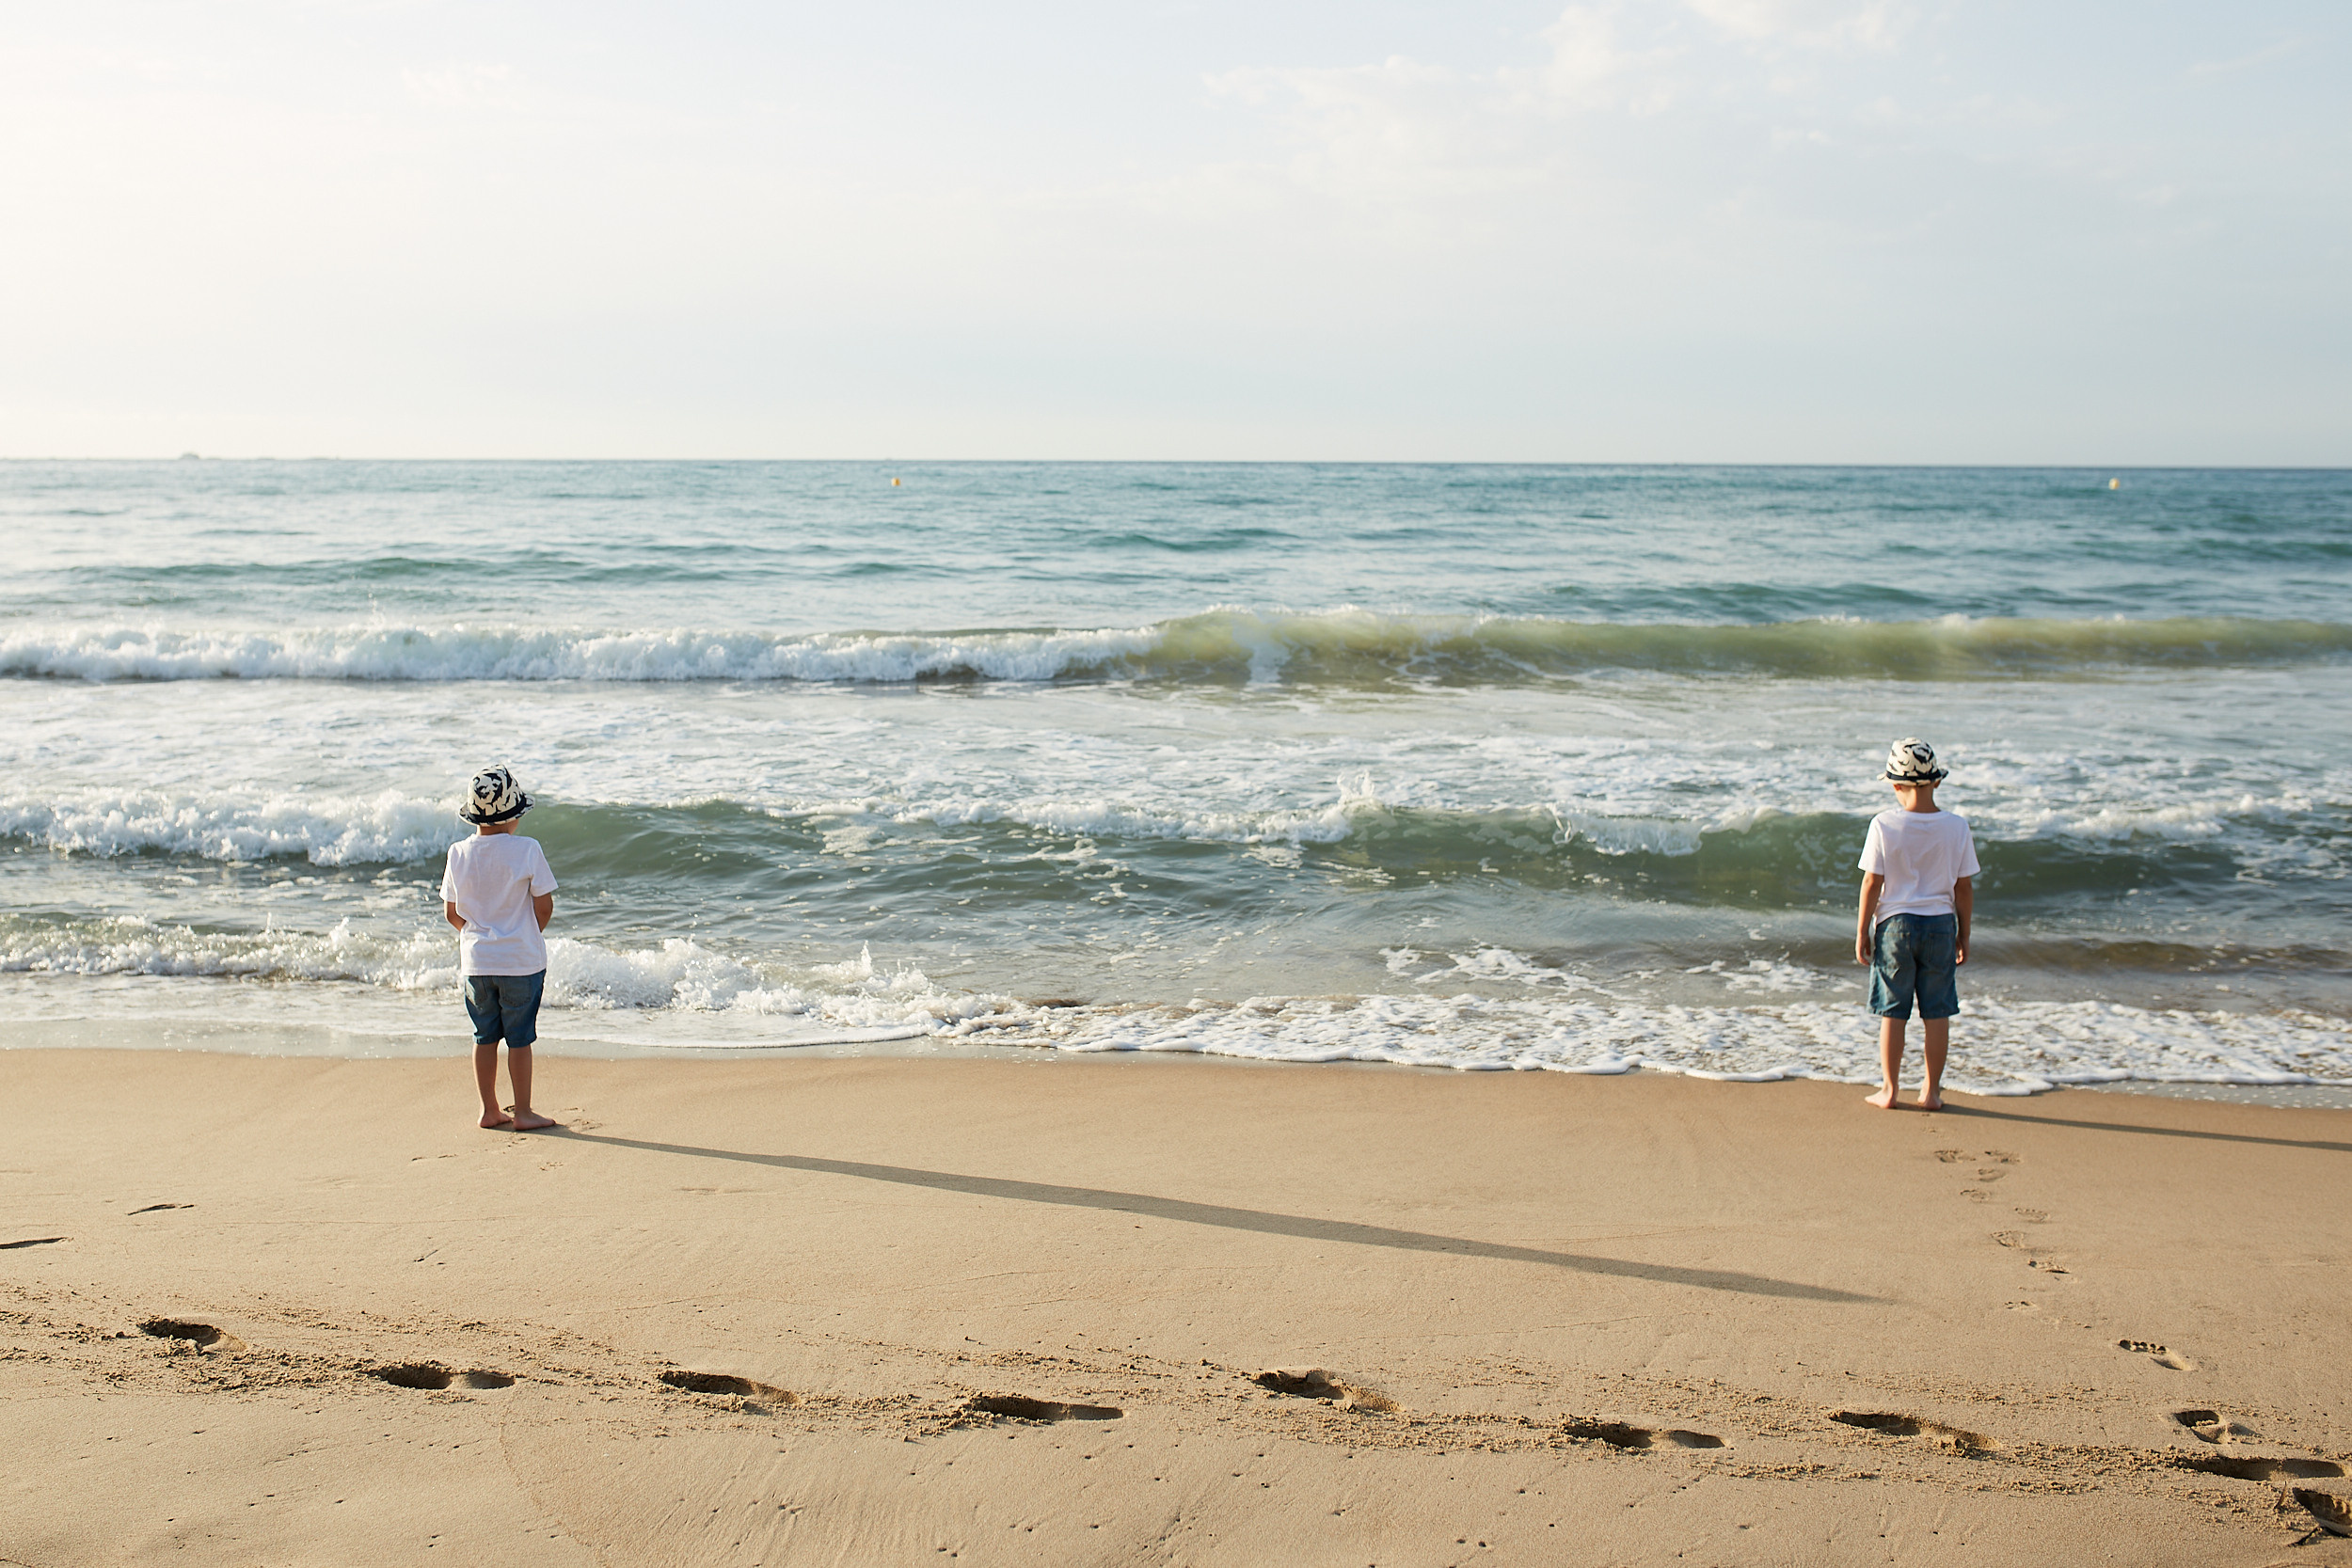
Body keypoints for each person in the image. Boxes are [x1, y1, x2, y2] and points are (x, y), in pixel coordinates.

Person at [1855, 737, 1979, 1111]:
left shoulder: (1884, 824)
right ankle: (1931, 1092)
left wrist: (1863, 931)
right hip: (1941, 925)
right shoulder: (1956, 827)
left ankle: (1890, 1090)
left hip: (1895, 925)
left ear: (1895, 785)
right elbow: (1964, 887)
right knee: (1937, 1011)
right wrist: (1964, 934)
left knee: (1893, 1011)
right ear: (1937, 781)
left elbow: (1872, 882)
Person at [441, 766, 560, 1131]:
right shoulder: (527, 849)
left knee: (485, 1036)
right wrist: (524, 934)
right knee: (520, 1039)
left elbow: (452, 913)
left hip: (476, 963)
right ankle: (523, 1112)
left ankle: (489, 1110)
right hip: (521, 962)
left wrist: (478, 935)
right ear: (514, 814)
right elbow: (544, 906)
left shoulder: (458, 852)